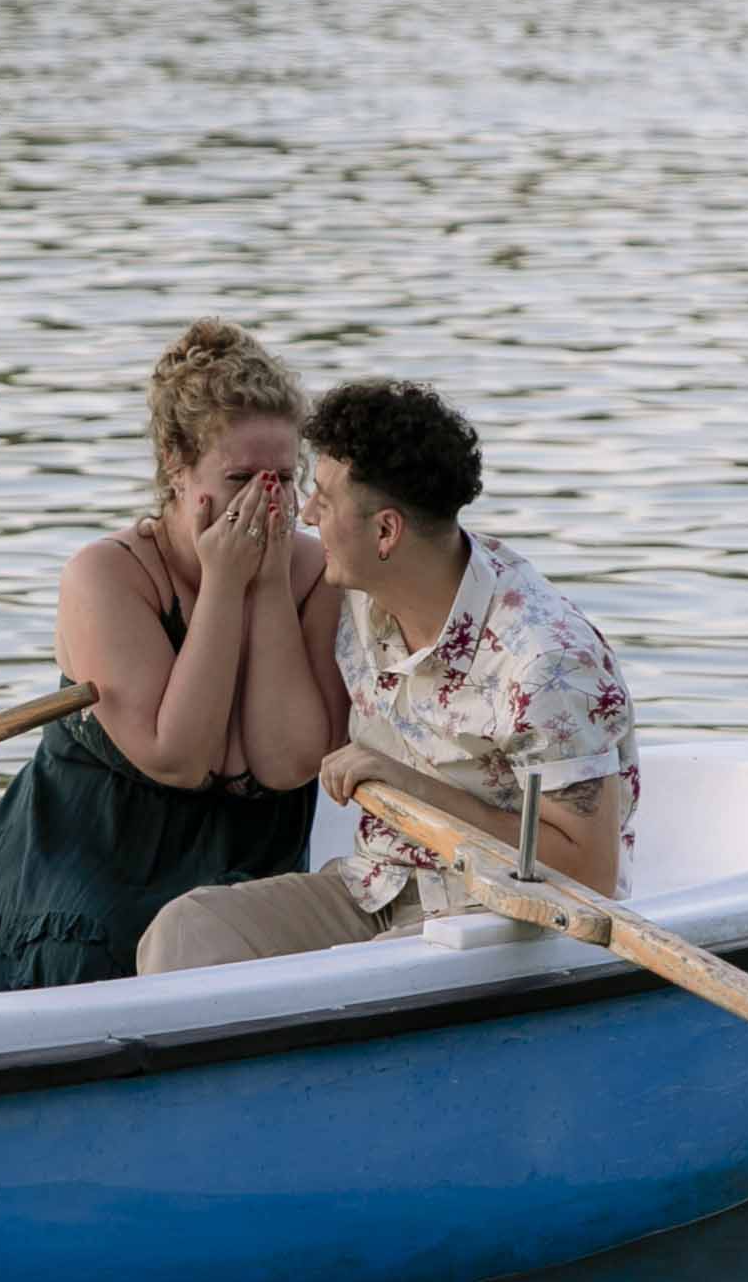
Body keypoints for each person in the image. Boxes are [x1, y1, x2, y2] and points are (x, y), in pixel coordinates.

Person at [139, 379, 636, 972]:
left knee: (364, 975)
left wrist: (412, 786)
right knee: (189, 930)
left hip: (496, 916)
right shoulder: (355, 598)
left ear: (386, 532)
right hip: (373, 887)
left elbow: (590, 874)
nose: (305, 513)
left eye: (322, 497)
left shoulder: (545, 664)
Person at [0, 323, 343, 993]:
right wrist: (220, 587)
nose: (264, 503)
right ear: (176, 466)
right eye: (239, 477)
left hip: (247, 865)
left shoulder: (311, 572)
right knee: (97, 966)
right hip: (94, 863)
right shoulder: (108, 575)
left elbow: (286, 762)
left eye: (282, 479)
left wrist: (265, 586)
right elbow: (178, 757)